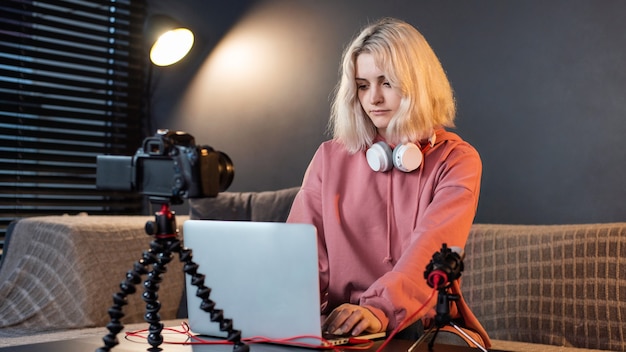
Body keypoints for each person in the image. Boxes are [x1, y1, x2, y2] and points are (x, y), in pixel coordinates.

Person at [286, 17, 490, 347]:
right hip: (344, 325)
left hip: (422, 329)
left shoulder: (457, 160)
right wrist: (284, 311)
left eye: (387, 83)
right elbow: (299, 250)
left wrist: (378, 309)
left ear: (417, 84)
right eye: (363, 85)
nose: (373, 99)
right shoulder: (329, 157)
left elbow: (431, 250)